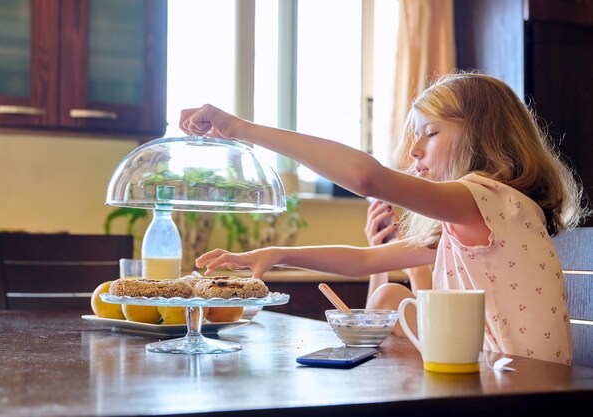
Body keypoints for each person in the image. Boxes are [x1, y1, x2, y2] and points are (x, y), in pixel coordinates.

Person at [180, 71, 589, 365]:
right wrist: (274, 253)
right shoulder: (474, 218)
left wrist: (238, 128)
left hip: (525, 391)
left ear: (482, 137)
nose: (414, 150)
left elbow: (365, 177)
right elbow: (365, 260)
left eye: (430, 133)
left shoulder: (491, 199)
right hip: (503, 383)